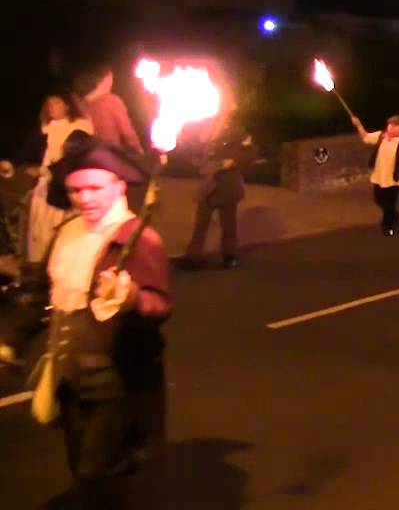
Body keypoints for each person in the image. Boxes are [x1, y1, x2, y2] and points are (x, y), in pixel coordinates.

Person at [0, 130, 171, 509]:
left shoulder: (139, 238)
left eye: (95, 187)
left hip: (117, 383)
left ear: (118, 185)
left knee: (99, 475)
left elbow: (160, 306)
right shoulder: (66, 232)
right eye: (76, 190)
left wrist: (131, 298)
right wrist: (12, 340)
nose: (85, 198)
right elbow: (42, 296)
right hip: (70, 378)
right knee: (81, 466)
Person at [178, 105, 255, 269]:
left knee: (228, 223)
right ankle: (193, 257)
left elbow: (249, 152)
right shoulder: (205, 128)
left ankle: (230, 256)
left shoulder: (237, 131)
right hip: (209, 183)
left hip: (227, 182)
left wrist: (233, 161)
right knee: (201, 223)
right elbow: (196, 150)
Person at [27, 91, 95, 264]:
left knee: (57, 232)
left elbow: (70, 160)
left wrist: (46, 171)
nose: (51, 107)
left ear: (68, 105)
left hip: (62, 188)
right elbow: (31, 149)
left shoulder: (79, 129)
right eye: (49, 103)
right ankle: (39, 267)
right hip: (44, 187)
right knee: (39, 231)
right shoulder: (47, 128)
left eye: (56, 103)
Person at [353, 114, 399, 236]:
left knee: (389, 205)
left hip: (393, 180)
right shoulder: (381, 136)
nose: (390, 127)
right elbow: (365, 137)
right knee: (378, 200)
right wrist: (358, 125)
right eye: (390, 124)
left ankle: (388, 227)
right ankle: (394, 216)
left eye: (394, 125)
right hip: (378, 177)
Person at [74, 64, 143, 155]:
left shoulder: (80, 105)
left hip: (90, 156)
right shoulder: (112, 101)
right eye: (110, 78)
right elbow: (127, 132)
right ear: (102, 80)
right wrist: (138, 150)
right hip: (111, 155)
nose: (112, 82)